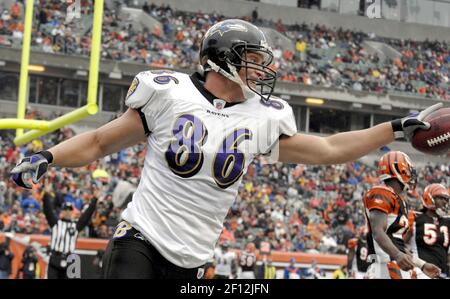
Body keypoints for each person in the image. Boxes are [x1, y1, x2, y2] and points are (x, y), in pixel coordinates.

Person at [10, 18, 441, 279]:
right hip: (140, 238)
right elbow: (101, 142)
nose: (264, 67)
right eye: (253, 58)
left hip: (194, 258)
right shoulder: (169, 94)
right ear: (223, 59)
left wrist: (393, 128)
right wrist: (48, 156)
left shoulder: (261, 116)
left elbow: (329, 149)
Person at [363, 151, 441, 279]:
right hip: (384, 266)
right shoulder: (381, 192)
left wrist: (422, 264)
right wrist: (398, 255)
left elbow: (398, 243)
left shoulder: (399, 199)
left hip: (395, 264)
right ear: (400, 170)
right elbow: (378, 232)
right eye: (409, 170)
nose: (411, 175)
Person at [41, 185, 98, 279]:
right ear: (62, 212)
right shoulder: (55, 223)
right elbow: (48, 210)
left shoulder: (76, 226)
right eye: (65, 210)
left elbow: (86, 216)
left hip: (69, 260)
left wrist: (95, 199)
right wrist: (46, 194)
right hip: (55, 257)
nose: (67, 212)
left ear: (72, 212)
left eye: (69, 210)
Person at [405, 183, 450, 279]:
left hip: (443, 273)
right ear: (429, 198)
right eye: (441, 198)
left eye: (446, 199)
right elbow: (399, 244)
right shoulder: (414, 217)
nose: (445, 202)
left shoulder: (447, 221)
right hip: (420, 272)